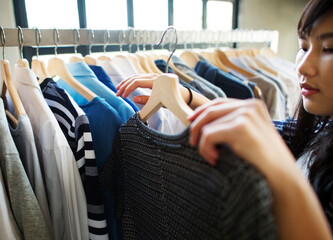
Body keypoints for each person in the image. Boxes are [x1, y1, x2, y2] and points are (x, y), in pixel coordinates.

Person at [115, 0, 333, 238]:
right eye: (303, 46)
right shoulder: (321, 129)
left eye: (329, 48)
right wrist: (187, 97)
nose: (302, 67)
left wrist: (284, 176)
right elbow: (259, 132)